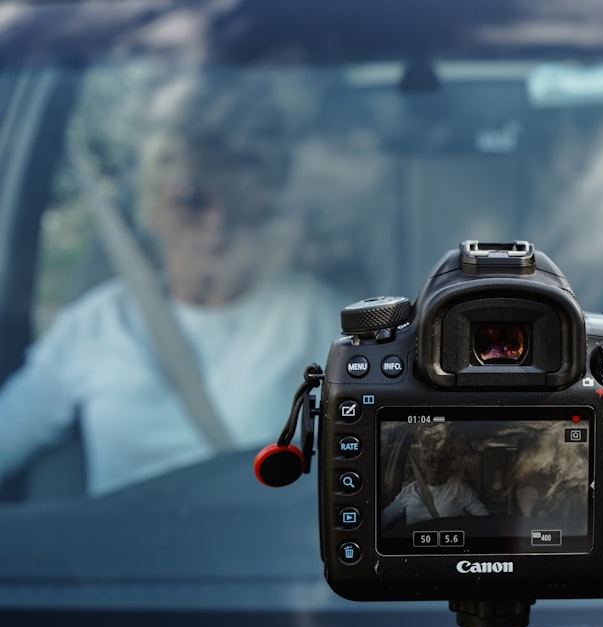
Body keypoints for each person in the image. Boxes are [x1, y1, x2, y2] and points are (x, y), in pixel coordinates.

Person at [0, 74, 345, 497]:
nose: (216, 221)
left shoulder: (314, 315)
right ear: (152, 209)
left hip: (262, 557)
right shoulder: (96, 323)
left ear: (262, 207)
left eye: (235, 199)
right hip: (122, 557)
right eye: (192, 201)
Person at [381, 438, 489, 527]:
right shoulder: (410, 490)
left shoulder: (460, 489)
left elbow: (484, 521)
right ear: (422, 465)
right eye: (430, 460)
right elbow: (385, 518)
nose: (436, 465)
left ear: (448, 465)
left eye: (441, 460)